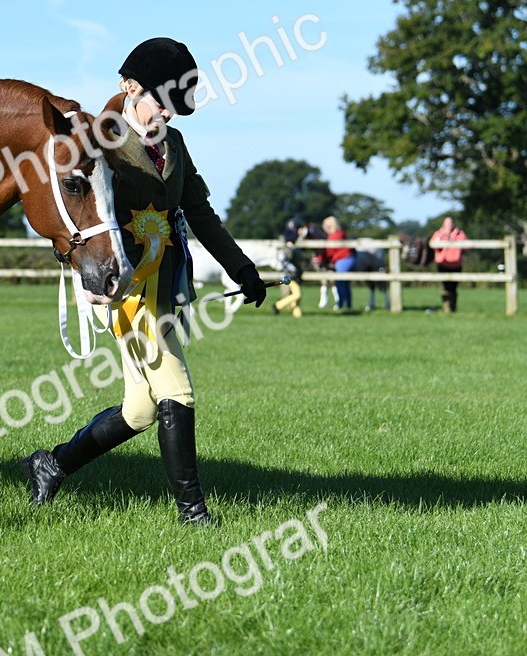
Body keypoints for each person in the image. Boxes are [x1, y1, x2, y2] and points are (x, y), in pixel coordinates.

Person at [20, 37, 268, 526]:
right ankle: (193, 513)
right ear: (129, 87)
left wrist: (241, 266)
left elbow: (198, 212)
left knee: (139, 410)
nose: (167, 117)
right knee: (176, 388)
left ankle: (51, 464)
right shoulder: (102, 145)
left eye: (176, 109)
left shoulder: (174, 145)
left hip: (169, 281)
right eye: (161, 103)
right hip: (127, 286)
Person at [431, 216, 467, 312]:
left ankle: (452, 308)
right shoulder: (438, 234)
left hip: (456, 264)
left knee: (453, 287)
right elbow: (433, 246)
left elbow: (466, 248)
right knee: (446, 286)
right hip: (442, 264)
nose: (449, 225)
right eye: (447, 223)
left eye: (451, 223)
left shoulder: (460, 234)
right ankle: (447, 308)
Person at [274, 217, 305, 317]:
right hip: (290, 277)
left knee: (297, 298)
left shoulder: (294, 245)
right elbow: (285, 262)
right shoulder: (289, 247)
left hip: (294, 276)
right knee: (297, 294)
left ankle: (298, 317)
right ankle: (277, 305)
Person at [321, 216, 354, 310]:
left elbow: (330, 251)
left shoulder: (334, 236)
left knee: (340, 283)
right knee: (346, 284)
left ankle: (340, 304)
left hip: (342, 260)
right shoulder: (341, 233)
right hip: (348, 259)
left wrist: (321, 258)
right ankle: (348, 305)